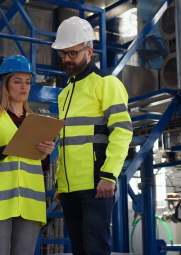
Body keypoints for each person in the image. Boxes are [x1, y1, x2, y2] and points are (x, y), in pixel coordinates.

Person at [51, 16, 133, 255]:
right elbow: (66, 143)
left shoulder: (107, 84)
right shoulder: (64, 94)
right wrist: (60, 183)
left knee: (95, 249)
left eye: (72, 54)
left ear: (90, 50)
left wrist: (109, 175)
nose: (67, 59)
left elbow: (122, 130)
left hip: (97, 183)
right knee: (79, 250)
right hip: (68, 188)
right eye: (63, 54)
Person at [0, 55, 56, 255]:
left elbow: (40, 167)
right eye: (17, 82)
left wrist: (45, 155)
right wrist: (13, 145)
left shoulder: (37, 122)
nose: (23, 87)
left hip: (29, 203)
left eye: (27, 82)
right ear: (5, 85)